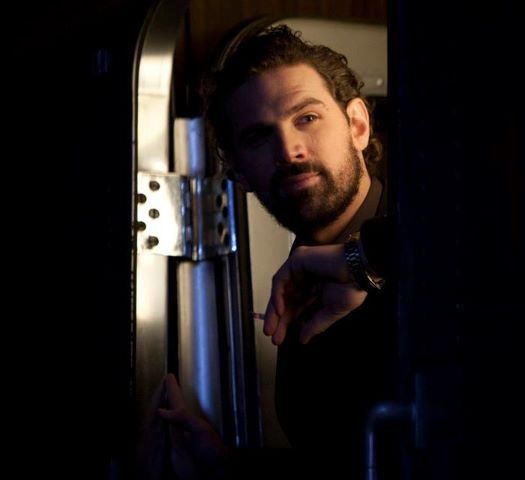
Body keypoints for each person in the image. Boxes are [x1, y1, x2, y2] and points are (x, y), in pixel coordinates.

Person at [142, 24, 394, 480]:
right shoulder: (296, 289)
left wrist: (365, 260)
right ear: (239, 173)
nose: (289, 149)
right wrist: (226, 466)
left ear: (357, 125)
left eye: (307, 118)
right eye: (259, 137)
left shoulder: (441, 224)